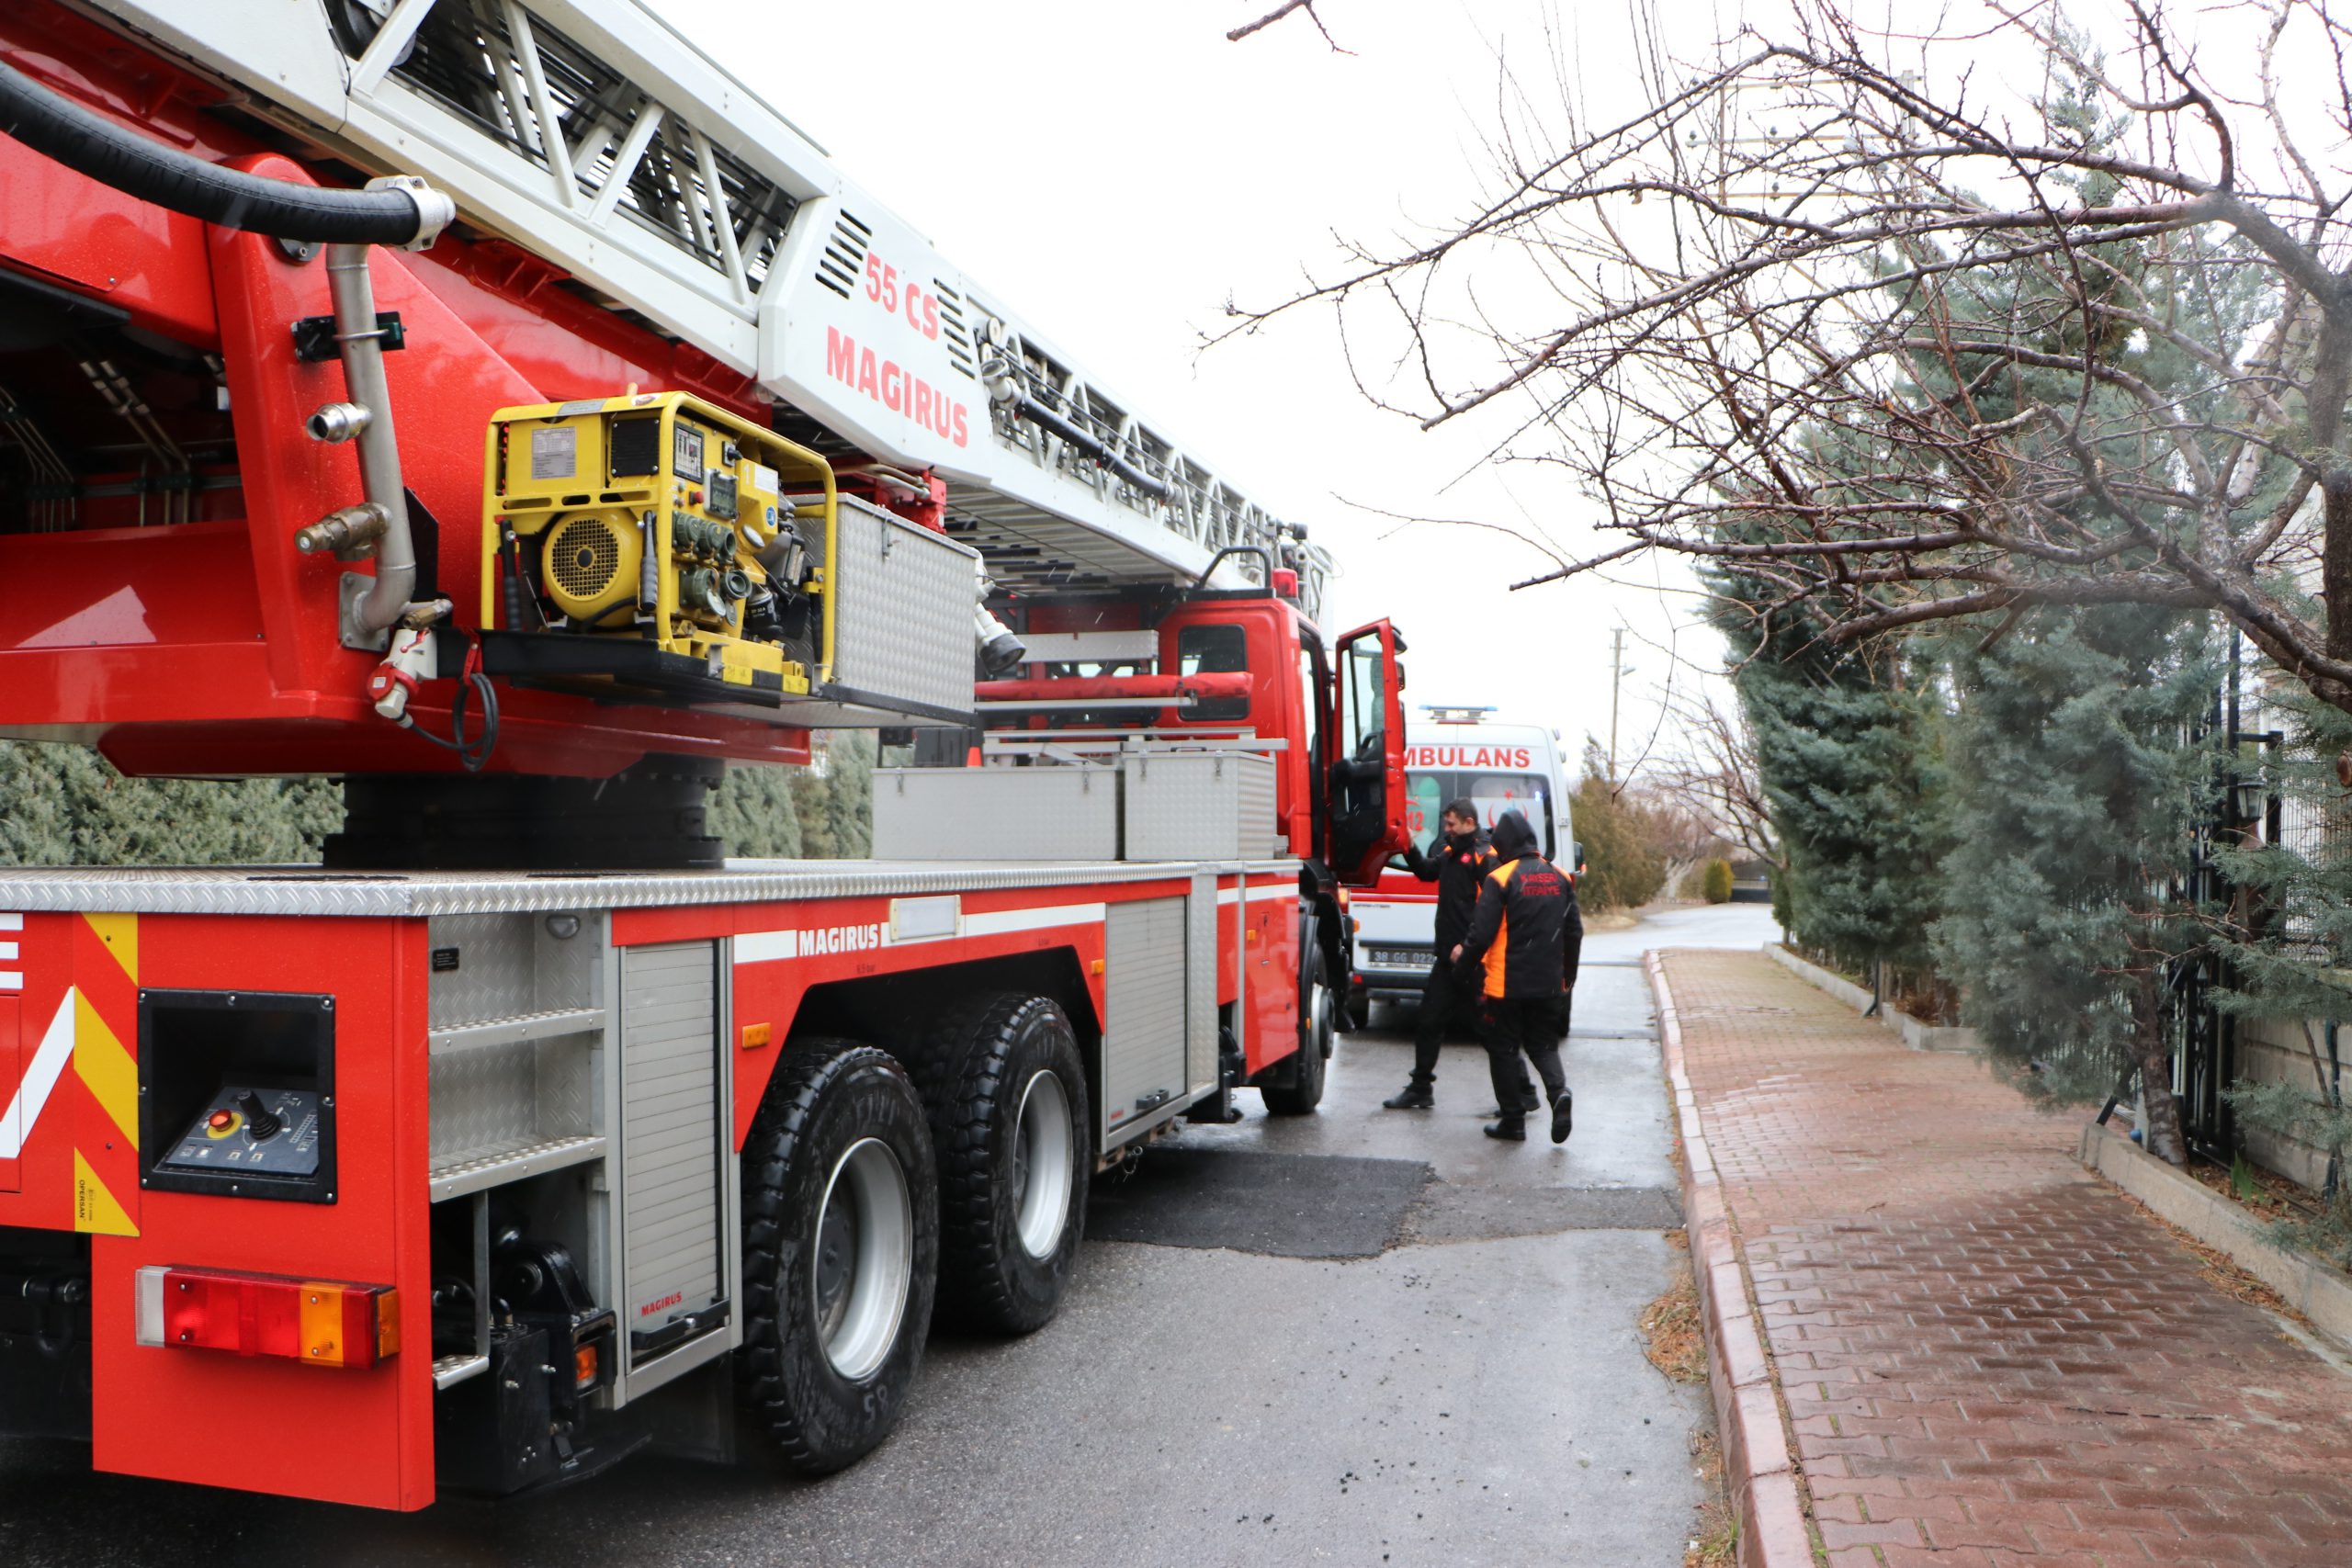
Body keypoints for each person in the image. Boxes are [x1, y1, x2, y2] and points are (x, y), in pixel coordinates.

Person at [1380, 800, 1534, 1111]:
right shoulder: (1451, 853)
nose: (1446, 831)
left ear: (1468, 822)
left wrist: (1468, 945)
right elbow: (1425, 872)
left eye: (1451, 825)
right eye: (1445, 825)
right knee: (1428, 1021)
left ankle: (1524, 1092)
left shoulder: (1485, 856)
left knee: (1490, 1030)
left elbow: (1492, 909)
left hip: (1475, 961)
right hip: (1447, 961)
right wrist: (1409, 846)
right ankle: (1421, 1087)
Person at [1451, 808, 1581, 1144]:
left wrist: (1461, 971)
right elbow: (1574, 932)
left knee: (1504, 1049)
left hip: (1506, 984)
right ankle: (1558, 1092)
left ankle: (1513, 1121)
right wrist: (1568, 975)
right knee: (1543, 1045)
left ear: (1505, 843)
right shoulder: (1560, 876)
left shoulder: (1501, 878)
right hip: (1549, 982)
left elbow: (1480, 935)